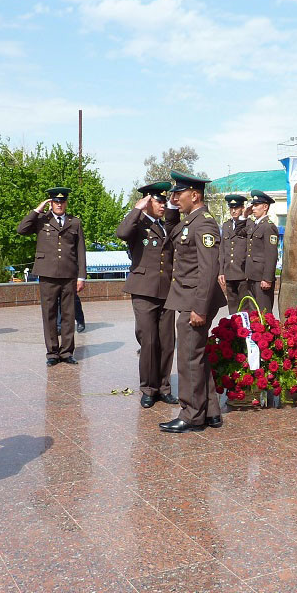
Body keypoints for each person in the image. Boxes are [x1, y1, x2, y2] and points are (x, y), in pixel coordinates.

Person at [159, 170, 227, 433]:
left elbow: (208, 270)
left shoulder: (204, 224)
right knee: (197, 357)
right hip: (188, 298)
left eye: (180, 193)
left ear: (195, 195)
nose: (175, 198)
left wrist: (199, 308)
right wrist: (173, 206)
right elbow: (172, 233)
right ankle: (210, 411)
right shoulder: (191, 220)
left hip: (195, 301)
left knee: (188, 359)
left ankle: (191, 415)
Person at [116, 181, 180, 409]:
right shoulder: (137, 225)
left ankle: (164, 387)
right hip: (143, 291)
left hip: (166, 291)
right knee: (149, 340)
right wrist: (137, 209)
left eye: (164, 201)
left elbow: (175, 224)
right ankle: (148, 388)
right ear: (147, 202)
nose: (163, 205)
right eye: (158, 201)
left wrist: (172, 206)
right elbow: (121, 233)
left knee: (167, 342)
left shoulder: (165, 226)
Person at [17, 187, 86, 366]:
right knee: (49, 314)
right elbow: (21, 229)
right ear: (51, 203)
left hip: (69, 274)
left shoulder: (75, 222)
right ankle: (52, 353)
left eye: (62, 202)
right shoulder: (41, 220)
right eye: (55, 201)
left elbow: (81, 250)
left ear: (66, 203)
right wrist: (37, 210)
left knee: (69, 314)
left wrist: (82, 276)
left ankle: (67, 352)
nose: (59, 204)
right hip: (47, 274)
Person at [243, 190, 279, 313]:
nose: (253, 208)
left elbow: (271, 254)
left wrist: (267, 278)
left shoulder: (269, 227)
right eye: (253, 205)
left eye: (256, 205)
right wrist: (244, 216)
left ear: (265, 207)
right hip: (251, 275)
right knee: (253, 313)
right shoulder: (253, 225)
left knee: (264, 313)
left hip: (262, 278)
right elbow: (238, 231)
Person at [218, 194, 248, 312]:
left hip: (242, 272)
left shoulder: (248, 224)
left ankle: (244, 330)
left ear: (242, 208)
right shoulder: (226, 225)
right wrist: (221, 271)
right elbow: (222, 249)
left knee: (244, 307)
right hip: (229, 272)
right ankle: (233, 330)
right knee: (232, 307)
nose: (234, 211)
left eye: (236, 208)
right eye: (231, 208)